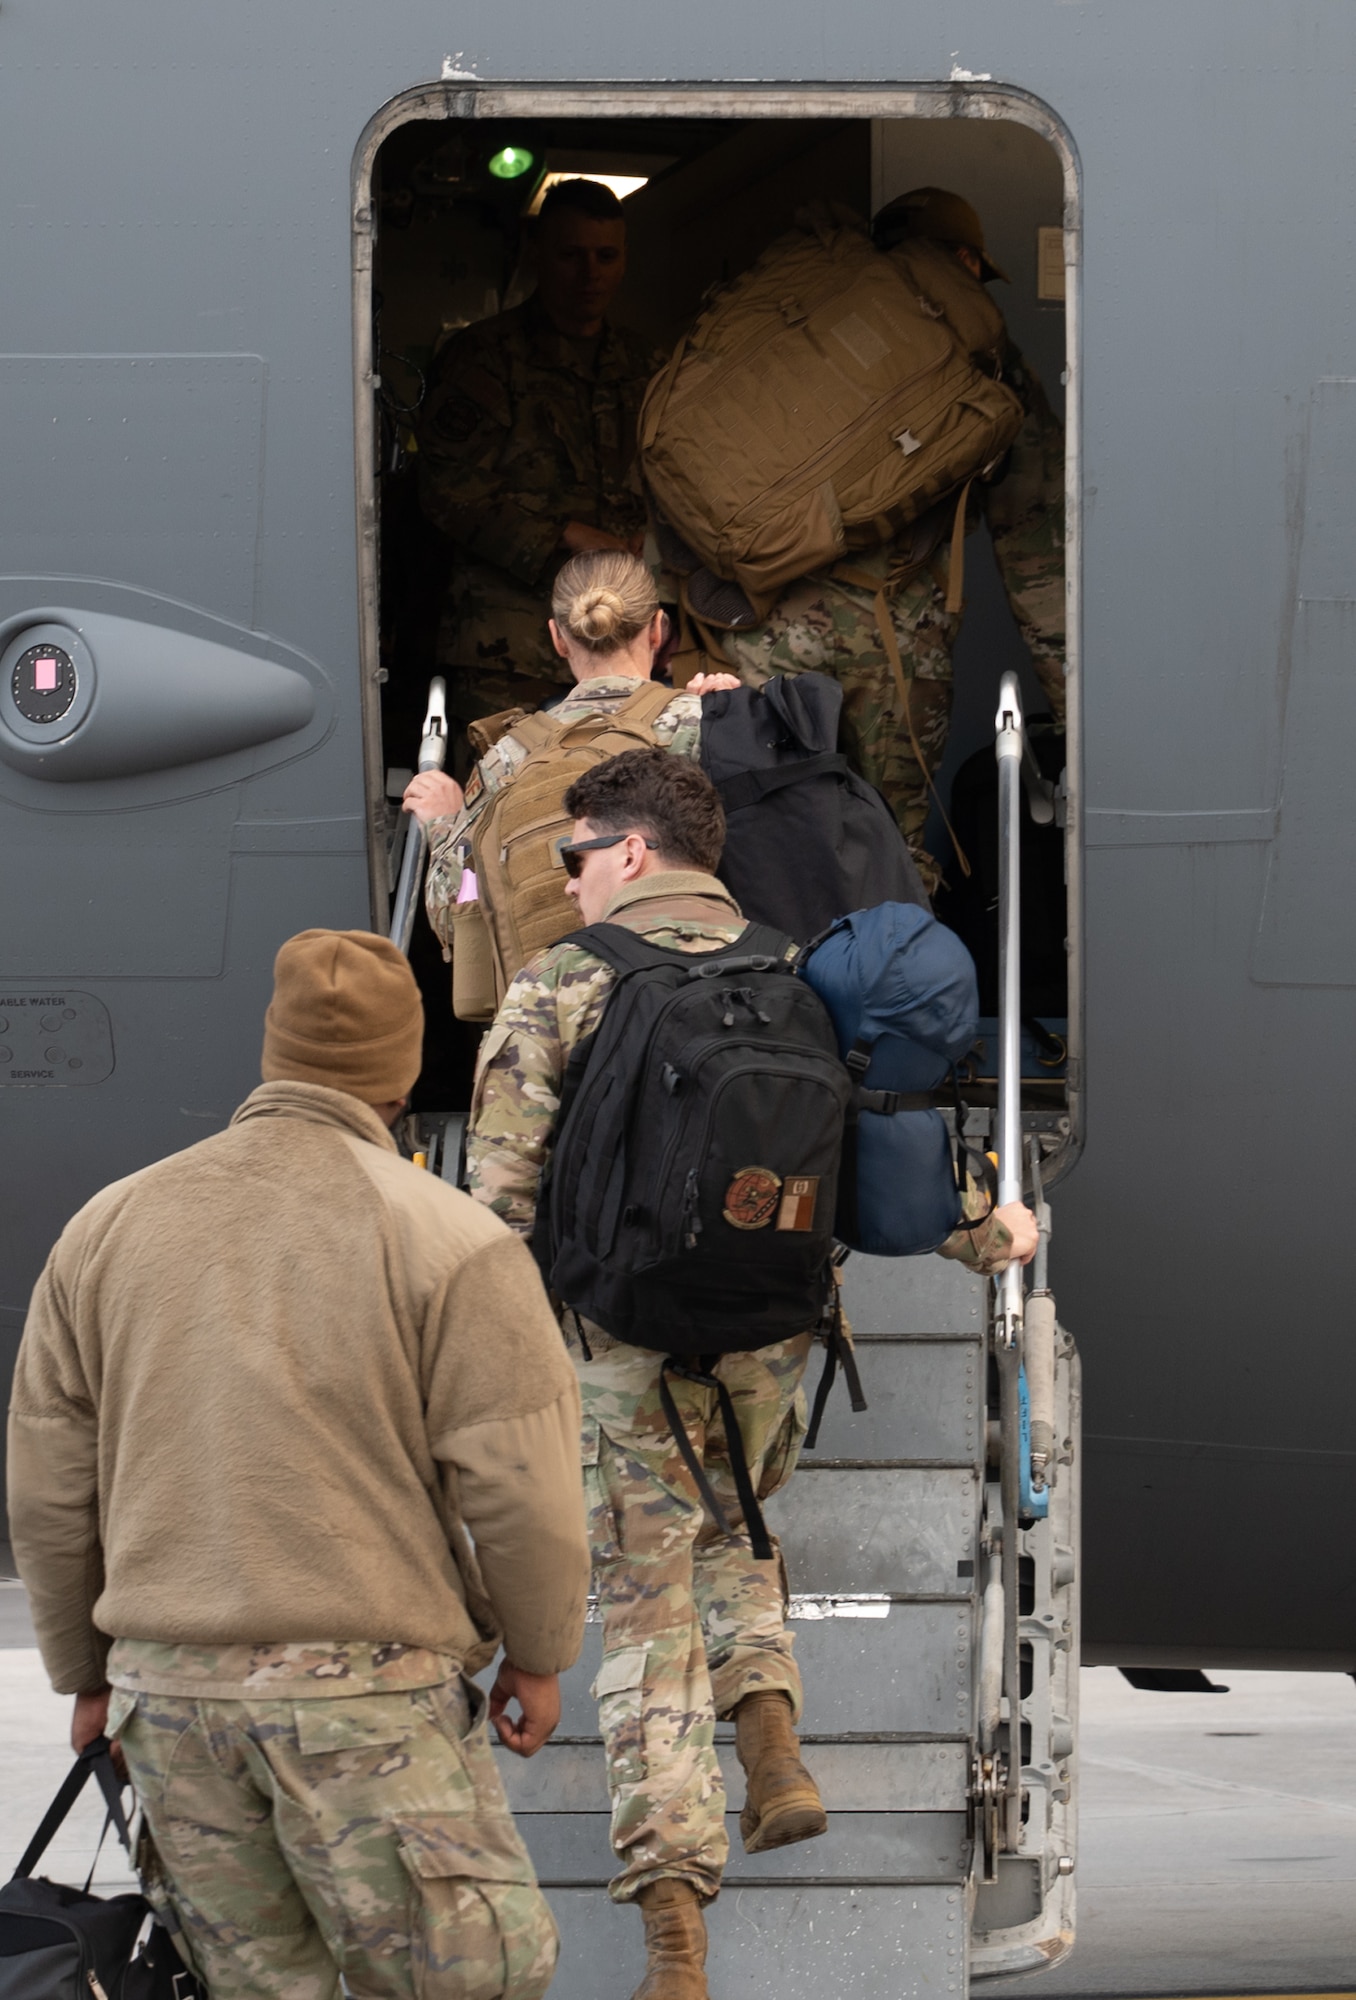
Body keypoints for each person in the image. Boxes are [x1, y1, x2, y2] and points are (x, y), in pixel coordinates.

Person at [466, 750, 1038, 2000]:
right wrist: (998, 1231)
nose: (564, 883)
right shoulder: (802, 972)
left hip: (620, 1349)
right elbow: (892, 1169)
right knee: (738, 1525)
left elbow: (493, 1219)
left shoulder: (558, 987)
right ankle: (773, 1735)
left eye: (572, 856)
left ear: (628, 851)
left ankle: (676, 1929)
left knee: (648, 1618)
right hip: (771, 1339)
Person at [7, 928, 591, 2000]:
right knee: (472, 1981)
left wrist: (87, 1673)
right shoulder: (452, 1239)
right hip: (365, 1697)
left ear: (273, 1048)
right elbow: (524, 1487)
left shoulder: (107, 1227)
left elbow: (48, 1482)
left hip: (167, 1697)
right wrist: (541, 1652)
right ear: (405, 1071)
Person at [719, 187, 1066, 894]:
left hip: (764, 639)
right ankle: (892, 1002)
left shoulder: (800, 338)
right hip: (899, 653)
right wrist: (1075, 706)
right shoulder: (989, 366)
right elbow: (1036, 556)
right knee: (890, 859)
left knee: (759, 847)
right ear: (966, 260)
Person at [417, 177, 663, 740]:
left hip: (621, 641)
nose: (590, 274)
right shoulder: (484, 356)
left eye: (606, 256)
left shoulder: (648, 364)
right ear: (538, 253)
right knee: (504, 812)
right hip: (510, 647)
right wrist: (564, 533)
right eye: (571, 255)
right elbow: (445, 488)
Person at [403, 548, 739, 959]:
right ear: (657, 629)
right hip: (701, 986)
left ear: (558, 639)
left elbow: (454, 913)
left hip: (554, 1002)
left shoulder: (507, 756)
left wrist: (444, 825)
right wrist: (728, 715)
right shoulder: (710, 719)